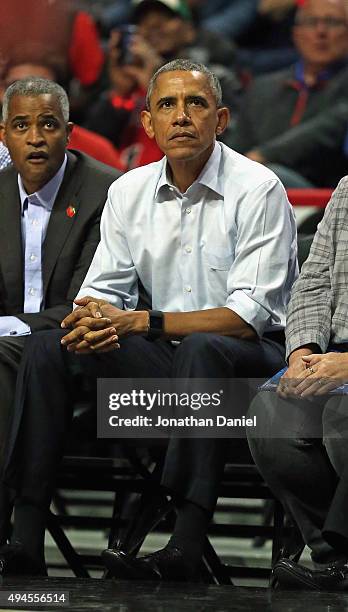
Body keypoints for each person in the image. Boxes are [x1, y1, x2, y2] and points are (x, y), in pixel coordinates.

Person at [1, 60, 297, 579]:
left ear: (221, 118)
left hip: (253, 375)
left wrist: (142, 322)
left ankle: (184, 545)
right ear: (148, 123)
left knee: (206, 350)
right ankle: (24, 538)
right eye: (167, 105)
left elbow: (248, 317)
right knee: (50, 347)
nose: (181, 117)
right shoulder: (128, 191)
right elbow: (98, 294)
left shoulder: (259, 188)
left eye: (196, 104)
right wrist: (90, 321)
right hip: (165, 370)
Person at [0, 76, 120, 499]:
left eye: (49, 125)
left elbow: (85, 303)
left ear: (69, 134)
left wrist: (6, 328)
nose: (35, 139)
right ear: (4, 136)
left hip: (81, 351)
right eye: (21, 126)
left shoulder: (106, 191)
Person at [248, 176, 348, 591]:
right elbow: (313, 281)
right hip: (329, 351)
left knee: (341, 416)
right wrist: (301, 354)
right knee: (269, 414)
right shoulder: (346, 189)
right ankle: (333, 558)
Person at [85, 0, 241, 169]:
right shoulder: (127, 77)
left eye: (165, 18)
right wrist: (119, 94)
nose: (153, 25)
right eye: (144, 20)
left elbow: (229, 141)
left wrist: (157, 83)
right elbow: (92, 148)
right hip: (122, 182)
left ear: (189, 31)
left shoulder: (215, 78)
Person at [227, 0, 348, 187]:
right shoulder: (262, 88)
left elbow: (330, 127)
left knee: (268, 177)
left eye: (333, 22)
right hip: (257, 187)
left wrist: (263, 155)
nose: (321, 32)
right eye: (311, 22)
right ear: (296, 34)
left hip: (325, 196)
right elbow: (236, 150)